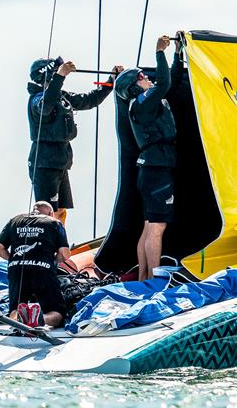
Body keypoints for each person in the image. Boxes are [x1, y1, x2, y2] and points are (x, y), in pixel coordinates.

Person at [113, 35, 182, 280]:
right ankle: (153, 279)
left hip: (152, 169)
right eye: (142, 77)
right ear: (134, 86)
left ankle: (144, 277)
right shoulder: (142, 102)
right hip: (156, 169)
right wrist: (159, 52)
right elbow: (163, 82)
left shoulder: (142, 102)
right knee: (157, 227)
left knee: (148, 225)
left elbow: (169, 82)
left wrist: (176, 53)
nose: (147, 77)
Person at [27, 57, 123, 226]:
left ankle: (60, 245)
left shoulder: (60, 96)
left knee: (60, 210)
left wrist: (111, 81)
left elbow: (89, 100)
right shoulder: (36, 99)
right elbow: (46, 107)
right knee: (47, 211)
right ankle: (48, 247)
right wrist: (60, 76)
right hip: (44, 163)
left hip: (60, 162)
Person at [0, 201, 70, 328]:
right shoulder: (54, 222)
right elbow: (65, 253)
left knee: (15, 308)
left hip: (17, 270)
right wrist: (53, 261)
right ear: (51, 213)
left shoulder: (14, 220)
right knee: (58, 311)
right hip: (43, 269)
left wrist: (13, 260)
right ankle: (41, 319)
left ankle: (19, 321)